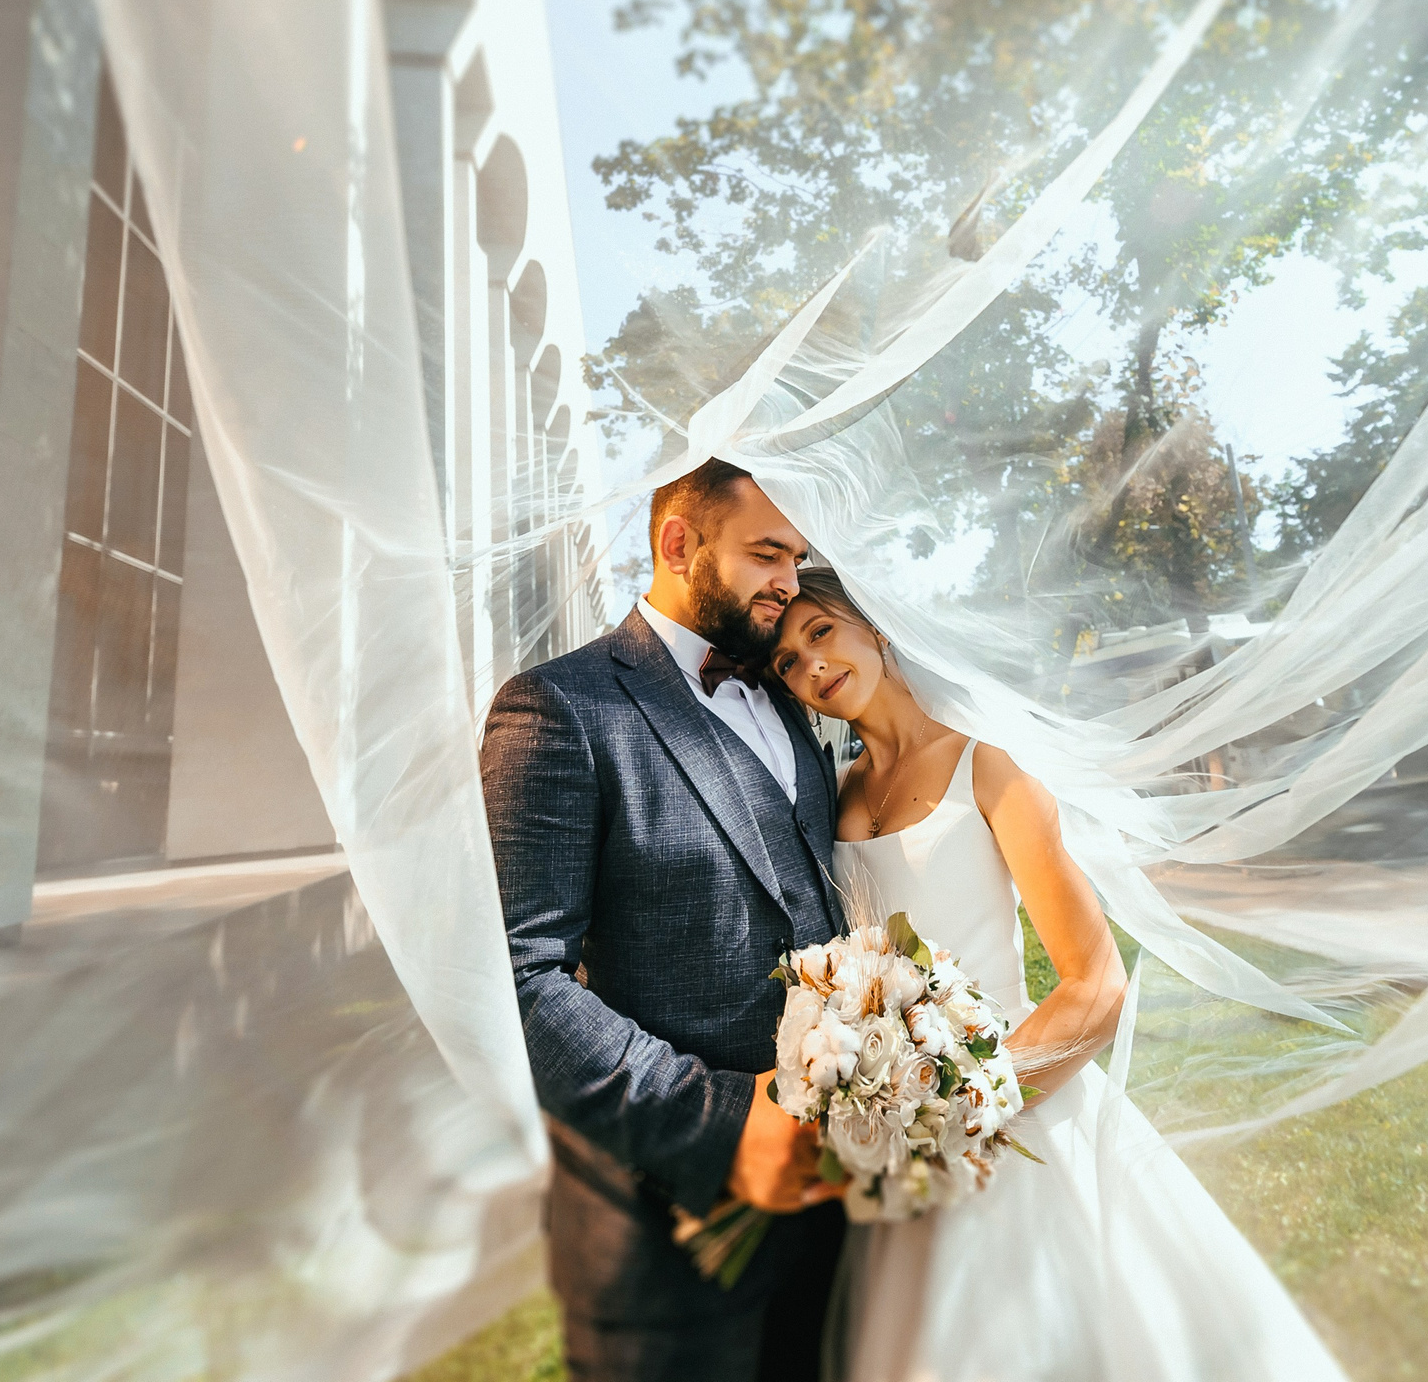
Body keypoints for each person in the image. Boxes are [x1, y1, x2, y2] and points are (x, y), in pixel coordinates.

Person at [769, 567, 1351, 1381]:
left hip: (1013, 1106)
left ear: (876, 625)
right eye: (788, 661)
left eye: (821, 632)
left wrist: (961, 1113)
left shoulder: (989, 765)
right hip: (897, 1137)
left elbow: (1096, 985)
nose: (811, 665)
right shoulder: (827, 797)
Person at [481, 459, 847, 1382]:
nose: (788, 581)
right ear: (679, 544)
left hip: (828, 1225)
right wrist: (725, 1128)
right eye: (766, 553)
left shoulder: (791, 694)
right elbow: (518, 982)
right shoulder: (558, 707)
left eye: (796, 558)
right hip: (660, 1244)